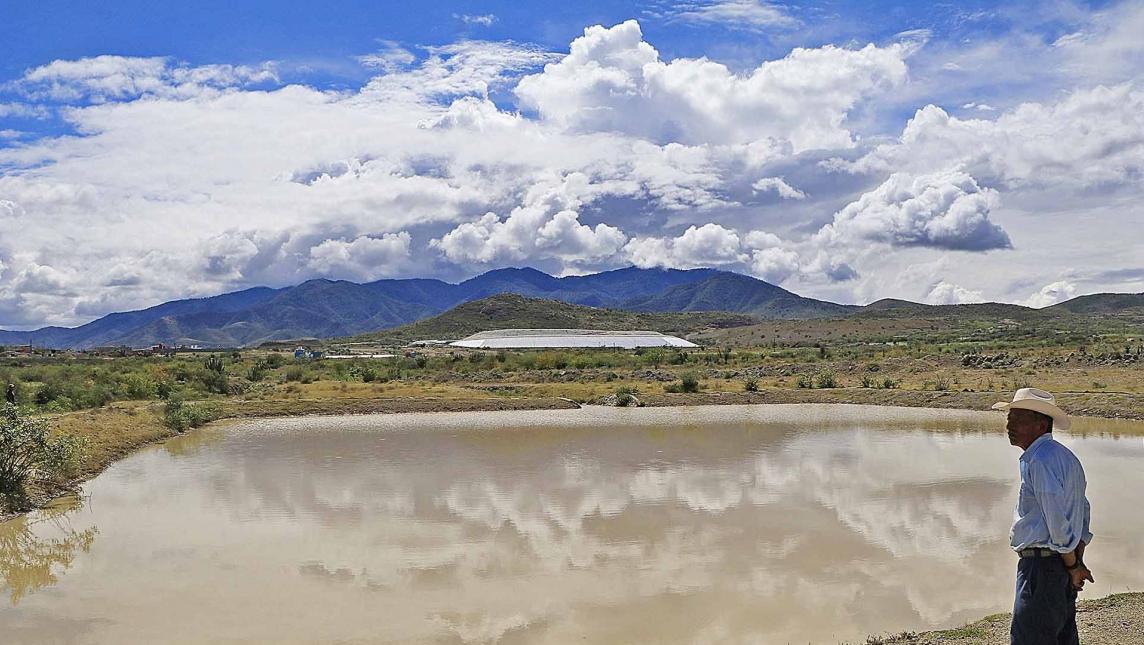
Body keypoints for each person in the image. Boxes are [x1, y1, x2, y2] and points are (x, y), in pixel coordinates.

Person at [993, 388, 1093, 645]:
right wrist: (1076, 561)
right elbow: (1082, 512)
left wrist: (1072, 565)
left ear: (1040, 424)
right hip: (1059, 565)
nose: (1009, 425)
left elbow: (1057, 520)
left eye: (1017, 419)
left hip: (1042, 567)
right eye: (1009, 419)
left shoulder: (1038, 460)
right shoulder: (1066, 457)